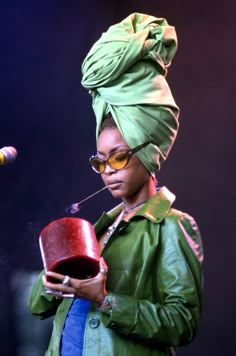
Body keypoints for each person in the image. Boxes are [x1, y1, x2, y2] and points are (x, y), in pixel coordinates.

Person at [28, 13, 203, 356]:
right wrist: (52, 281)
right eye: (100, 161)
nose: (108, 170)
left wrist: (105, 301)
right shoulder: (96, 232)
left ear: (148, 151)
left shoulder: (171, 227)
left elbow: (183, 323)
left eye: (119, 157)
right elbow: (38, 307)